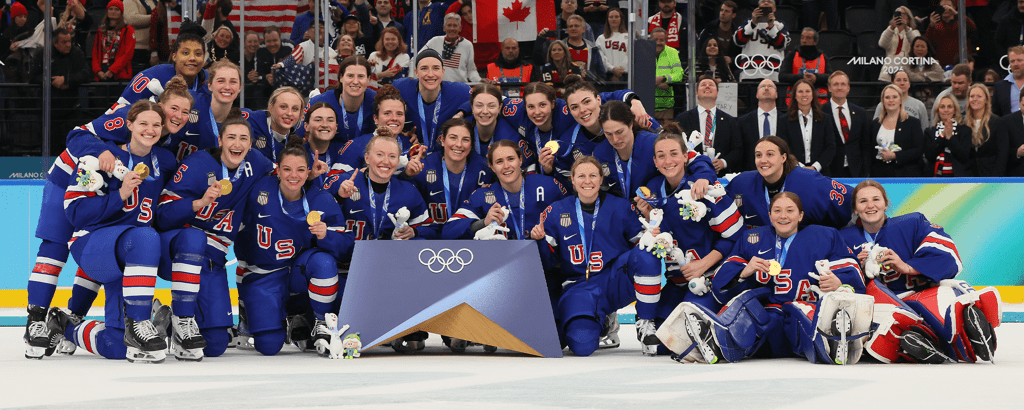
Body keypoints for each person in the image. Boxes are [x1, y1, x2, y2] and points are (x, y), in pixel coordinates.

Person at [23, 78, 193, 360]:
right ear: (132, 123)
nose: (176, 116)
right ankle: (36, 319)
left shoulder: (164, 155)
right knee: (55, 247)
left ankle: (70, 321)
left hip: (118, 232)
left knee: (115, 343)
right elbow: (77, 138)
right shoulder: (109, 140)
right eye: (172, 109)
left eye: (183, 113)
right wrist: (106, 164)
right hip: (72, 186)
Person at [675, 192, 866, 365]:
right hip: (769, 312)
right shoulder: (752, 238)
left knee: (808, 324)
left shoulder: (825, 236)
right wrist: (744, 272)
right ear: (770, 215)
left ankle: (833, 343)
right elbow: (721, 281)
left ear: (800, 215)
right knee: (751, 322)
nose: (783, 216)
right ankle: (715, 343)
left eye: (790, 211)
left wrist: (840, 282)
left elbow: (851, 267)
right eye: (777, 211)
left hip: (805, 307)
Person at [156, 114, 275, 361]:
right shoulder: (196, 164)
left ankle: (161, 319)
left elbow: (287, 177)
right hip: (179, 248)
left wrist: (313, 176)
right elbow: (163, 215)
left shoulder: (257, 162)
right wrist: (199, 203)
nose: (237, 143)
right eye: (231, 137)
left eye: (244, 138)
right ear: (220, 140)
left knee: (216, 345)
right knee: (194, 239)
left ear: (251, 144)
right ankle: (181, 321)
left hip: (213, 258)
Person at [839, 180, 1000, 363]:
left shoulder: (912, 223)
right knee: (876, 321)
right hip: (883, 306)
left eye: (876, 199)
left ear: (885, 203)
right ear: (855, 209)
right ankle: (921, 341)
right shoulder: (843, 238)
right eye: (863, 201)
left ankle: (969, 328)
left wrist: (907, 266)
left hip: (921, 295)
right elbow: (838, 280)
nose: (870, 205)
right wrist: (855, 266)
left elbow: (948, 254)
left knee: (948, 292)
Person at [234, 142, 355, 357]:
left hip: (298, 273)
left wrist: (327, 236)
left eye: (300, 170)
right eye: (287, 169)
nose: (293, 175)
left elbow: (346, 246)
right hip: (265, 275)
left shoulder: (321, 199)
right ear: (277, 170)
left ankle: (319, 321)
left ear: (308, 172)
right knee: (269, 345)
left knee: (324, 263)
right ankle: (259, 313)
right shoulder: (258, 190)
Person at [529, 156, 657, 356]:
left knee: (647, 252)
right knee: (582, 345)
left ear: (601, 179)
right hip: (579, 285)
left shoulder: (621, 207)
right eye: (581, 176)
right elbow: (548, 262)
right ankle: (604, 321)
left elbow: (643, 246)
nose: (587, 181)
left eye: (592, 175)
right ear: (572, 179)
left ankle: (647, 321)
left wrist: (651, 226)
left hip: (614, 279)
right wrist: (539, 241)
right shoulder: (556, 211)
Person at [630, 131, 743, 355]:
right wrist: (651, 218)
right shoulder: (652, 188)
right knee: (659, 344)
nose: (667, 160)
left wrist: (704, 264)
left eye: (673, 153)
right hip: (678, 281)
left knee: (688, 337)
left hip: (709, 279)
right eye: (661, 156)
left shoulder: (703, 188)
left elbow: (735, 237)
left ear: (685, 156)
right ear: (654, 161)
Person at [322, 134, 435, 351]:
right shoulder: (347, 182)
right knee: (353, 324)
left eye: (392, 156)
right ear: (367, 157)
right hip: (349, 269)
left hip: (387, 272)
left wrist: (414, 230)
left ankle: (404, 322)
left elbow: (431, 229)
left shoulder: (407, 190)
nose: (386, 161)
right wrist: (338, 195)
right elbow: (318, 205)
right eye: (380, 155)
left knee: (417, 246)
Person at [444, 139, 567, 240]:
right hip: (502, 263)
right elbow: (448, 231)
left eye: (511, 159)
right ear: (492, 167)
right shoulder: (482, 195)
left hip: (542, 264)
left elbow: (571, 217)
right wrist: (483, 222)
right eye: (499, 162)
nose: (506, 166)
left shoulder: (547, 185)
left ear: (520, 160)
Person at [725, 136, 852, 229]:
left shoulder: (810, 182)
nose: (763, 160)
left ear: (783, 157)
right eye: (758, 155)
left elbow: (852, 198)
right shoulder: (742, 183)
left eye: (770, 154)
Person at [411, 118, 494, 225]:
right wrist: (406, 174)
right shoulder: (424, 166)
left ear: (471, 145)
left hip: (469, 237)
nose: (459, 144)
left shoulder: (485, 169)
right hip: (431, 237)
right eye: (453, 138)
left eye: (465, 139)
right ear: (442, 140)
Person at [392, 49, 472, 152]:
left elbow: (482, 100)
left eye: (436, 68)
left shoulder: (460, 91)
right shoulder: (401, 88)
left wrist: (460, 113)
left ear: (443, 72)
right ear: (416, 72)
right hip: (413, 155)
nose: (430, 74)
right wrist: (400, 132)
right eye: (424, 68)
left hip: (445, 157)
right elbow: (381, 108)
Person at [29, 27, 92, 156]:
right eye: (64, 42)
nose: (68, 45)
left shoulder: (77, 53)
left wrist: (66, 80)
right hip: (48, 110)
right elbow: (33, 78)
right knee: (50, 147)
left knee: (71, 148)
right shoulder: (43, 54)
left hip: (71, 109)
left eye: (69, 41)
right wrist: (52, 81)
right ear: (55, 43)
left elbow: (86, 74)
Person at [117, 24, 208, 106]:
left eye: (198, 54)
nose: (192, 58)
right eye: (185, 53)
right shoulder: (151, 77)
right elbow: (117, 112)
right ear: (174, 56)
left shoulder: (211, 82)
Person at [337, 84, 418, 173]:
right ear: (376, 118)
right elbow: (334, 181)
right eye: (387, 113)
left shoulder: (410, 145)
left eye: (399, 114)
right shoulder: (355, 146)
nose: (394, 118)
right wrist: (367, 172)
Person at [175, 60, 244, 160]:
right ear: (210, 85)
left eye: (233, 82)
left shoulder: (239, 123)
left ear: (240, 87)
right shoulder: (189, 100)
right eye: (221, 81)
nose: (227, 87)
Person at [296, 56, 376, 142]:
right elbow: (296, 133)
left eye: (361, 76)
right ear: (341, 77)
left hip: (364, 153)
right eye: (350, 76)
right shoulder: (319, 102)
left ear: (368, 79)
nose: (355, 81)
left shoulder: (376, 101)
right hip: (327, 154)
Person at [674, 77, 743, 176]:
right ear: (697, 93)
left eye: (711, 85)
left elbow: (737, 149)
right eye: (703, 85)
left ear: (717, 93)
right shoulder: (682, 119)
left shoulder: (730, 121)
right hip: (690, 174)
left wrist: (724, 162)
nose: (707, 86)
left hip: (720, 177)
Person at [822, 71, 871, 178]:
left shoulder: (860, 112)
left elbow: (866, 145)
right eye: (835, 84)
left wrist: (866, 171)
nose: (839, 88)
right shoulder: (820, 112)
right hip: (829, 171)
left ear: (848, 88)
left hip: (856, 171)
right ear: (829, 88)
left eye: (843, 84)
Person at [871, 84, 925, 177]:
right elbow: (869, 150)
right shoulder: (875, 124)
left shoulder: (913, 122)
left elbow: (919, 150)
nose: (891, 100)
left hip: (905, 174)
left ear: (900, 100)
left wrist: (895, 156)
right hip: (879, 173)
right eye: (887, 97)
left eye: (894, 97)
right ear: (883, 101)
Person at [783, 79, 835, 175]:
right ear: (794, 95)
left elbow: (830, 147)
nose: (804, 94)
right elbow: (784, 148)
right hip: (793, 172)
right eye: (800, 91)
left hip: (821, 172)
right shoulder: (784, 120)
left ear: (813, 94)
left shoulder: (825, 119)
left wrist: (815, 167)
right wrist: (801, 167)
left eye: (807, 91)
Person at [737, 79, 787, 171]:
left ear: (776, 94)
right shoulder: (742, 121)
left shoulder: (787, 120)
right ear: (756, 94)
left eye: (771, 86)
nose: (767, 88)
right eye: (762, 87)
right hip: (751, 172)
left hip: (781, 172)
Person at [733, 0, 789, 81]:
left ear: (775, 8)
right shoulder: (748, 22)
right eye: (763, 1)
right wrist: (753, 23)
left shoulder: (780, 25)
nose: (766, 3)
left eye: (769, 2)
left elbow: (782, 45)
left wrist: (771, 27)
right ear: (757, 7)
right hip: (749, 73)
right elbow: (738, 41)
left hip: (772, 74)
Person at [246, 87, 305, 163]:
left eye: (295, 109)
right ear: (270, 107)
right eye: (283, 107)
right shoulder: (251, 120)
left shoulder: (299, 135)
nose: (289, 113)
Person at [467, 84, 525, 159]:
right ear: (472, 107)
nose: (485, 111)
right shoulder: (462, 127)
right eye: (479, 105)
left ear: (499, 108)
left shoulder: (511, 137)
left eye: (491, 106)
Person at [419, 13, 479, 83]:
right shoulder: (434, 41)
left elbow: (471, 71)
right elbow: (417, 59)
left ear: (460, 28)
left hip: (459, 88)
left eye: (455, 26)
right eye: (449, 25)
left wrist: (480, 80)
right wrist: (413, 78)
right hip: (437, 87)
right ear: (444, 28)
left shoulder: (467, 45)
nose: (452, 28)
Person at [924, 94, 972, 177]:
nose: (946, 110)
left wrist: (950, 138)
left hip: (958, 179)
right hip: (934, 179)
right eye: (942, 107)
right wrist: (942, 135)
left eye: (949, 107)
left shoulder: (965, 130)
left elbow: (964, 156)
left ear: (954, 110)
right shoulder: (930, 131)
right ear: (937, 110)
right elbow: (930, 156)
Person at [964, 84, 1006, 177]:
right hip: (970, 176)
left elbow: (1002, 155)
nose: (975, 99)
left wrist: (996, 178)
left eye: (979, 96)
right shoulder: (963, 124)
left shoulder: (997, 122)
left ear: (986, 99)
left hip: (992, 176)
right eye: (972, 96)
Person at [780, 28, 829, 106]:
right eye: (802, 37)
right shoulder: (791, 55)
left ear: (815, 42)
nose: (804, 40)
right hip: (794, 102)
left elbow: (830, 77)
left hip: (820, 102)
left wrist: (816, 78)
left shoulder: (823, 57)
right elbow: (782, 76)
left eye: (808, 38)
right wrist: (802, 78)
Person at [924, 0, 975, 67]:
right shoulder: (936, 26)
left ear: (954, 7)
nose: (945, 9)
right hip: (942, 66)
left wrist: (957, 14)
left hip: (961, 64)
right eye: (942, 7)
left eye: (948, 6)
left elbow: (972, 28)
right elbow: (928, 43)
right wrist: (931, 25)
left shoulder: (961, 22)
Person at [92, 0, 135, 82]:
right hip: (102, 73)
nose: (113, 11)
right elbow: (95, 53)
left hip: (120, 75)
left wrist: (112, 70)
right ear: (107, 11)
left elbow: (128, 54)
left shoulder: (128, 30)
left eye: (117, 9)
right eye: (110, 9)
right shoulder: (100, 31)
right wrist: (98, 71)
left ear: (121, 12)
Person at [878, 6, 919, 81]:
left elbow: (915, 44)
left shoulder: (914, 32)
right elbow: (882, 44)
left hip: (906, 70)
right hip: (888, 71)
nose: (901, 16)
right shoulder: (890, 31)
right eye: (898, 14)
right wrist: (891, 27)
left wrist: (906, 28)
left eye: (903, 14)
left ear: (909, 19)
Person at [696, 0, 740, 68]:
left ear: (733, 15)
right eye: (721, 10)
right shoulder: (709, 29)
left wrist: (732, 60)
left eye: (727, 11)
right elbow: (699, 49)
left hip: (730, 68)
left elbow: (742, 54)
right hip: (709, 66)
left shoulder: (737, 32)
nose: (723, 13)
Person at [652, 28, 682, 123]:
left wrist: (664, 79)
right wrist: (652, 82)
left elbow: (679, 74)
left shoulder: (672, 52)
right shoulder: (644, 52)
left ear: (666, 41)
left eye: (662, 40)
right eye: (655, 40)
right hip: (646, 103)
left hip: (667, 105)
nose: (658, 42)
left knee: (667, 135)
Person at [563, 14, 605, 81]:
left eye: (576, 26)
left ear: (583, 29)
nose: (573, 28)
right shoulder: (561, 47)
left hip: (588, 88)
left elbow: (600, 74)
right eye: (570, 26)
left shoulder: (593, 48)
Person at [368, 26, 410, 91]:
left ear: (398, 41)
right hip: (375, 91)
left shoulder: (404, 56)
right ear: (382, 41)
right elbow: (367, 77)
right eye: (387, 39)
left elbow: (392, 73)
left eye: (393, 39)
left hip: (395, 92)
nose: (390, 42)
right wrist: (371, 66)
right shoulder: (374, 55)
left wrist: (378, 75)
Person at [125, 0, 158, 75]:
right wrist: (157, 17)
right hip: (137, 49)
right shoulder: (129, 1)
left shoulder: (156, 1)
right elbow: (132, 19)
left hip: (155, 48)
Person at [255, 26, 293, 91]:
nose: (272, 44)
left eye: (275, 40)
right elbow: (257, 73)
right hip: (266, 88)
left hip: (288, 85)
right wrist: (266, 77)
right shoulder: (260, 49)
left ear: (280, 38)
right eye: (268, 41)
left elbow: (297, 68)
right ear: (264, 40)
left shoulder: (289, 47)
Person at [596, 8, 627, 82]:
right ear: (607, 19)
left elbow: (629, 56)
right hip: (606, 76)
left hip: (625, 76)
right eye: (611, 17)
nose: (614, 19)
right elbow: (600, 57)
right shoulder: (601, 38)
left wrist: (618, 72)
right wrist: (612, 69)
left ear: (621, 19)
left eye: (616, 17)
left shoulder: (628, 37)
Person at [992, 46, 1024, 117]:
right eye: (1012, 61)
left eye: (1019, 60)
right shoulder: (1000, 86)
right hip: (1008, 127)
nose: (1015, 64)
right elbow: (996, 114)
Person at [1005, 93, 1024, 176]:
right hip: (1015, 176)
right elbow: (1000, 151)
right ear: (1019, 102)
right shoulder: (1007, 121)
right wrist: (1017, 152)